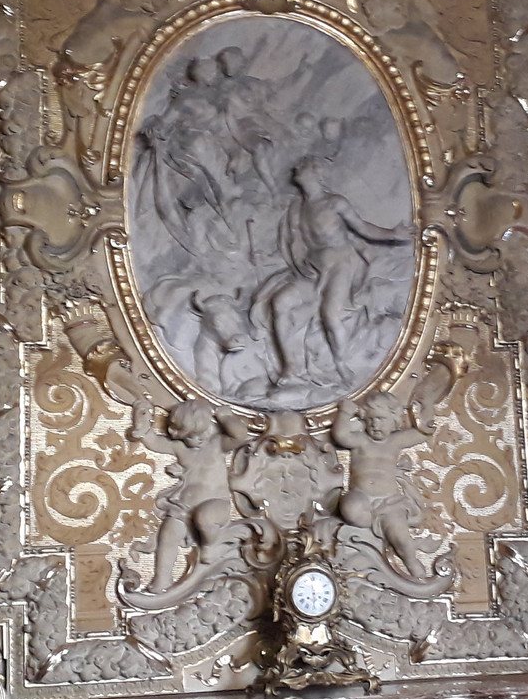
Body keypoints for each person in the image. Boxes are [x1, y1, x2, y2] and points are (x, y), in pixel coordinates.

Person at [253, 156, 412, 385]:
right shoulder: (297, 208)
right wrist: (269, 259)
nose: (297, 168)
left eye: (303, 166)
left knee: (330, 315)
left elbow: (363, 228)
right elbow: (293, 242)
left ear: (316, 172)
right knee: (279, 303)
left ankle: (340, 363)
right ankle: (290, 366)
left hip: (340, 266)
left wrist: (392, 234)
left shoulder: (335, 203)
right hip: (311, 269)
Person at [129, 398, 235, 592]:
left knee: (205, 517)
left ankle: (211, 546)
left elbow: (240, 436)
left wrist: (226, 418)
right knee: (168, 534)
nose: (199, 439)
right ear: (179, 433)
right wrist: (141, 423)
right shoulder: (181, 448)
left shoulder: (216, 445)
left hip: (216, 505)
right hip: (184, 507)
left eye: (203, 432)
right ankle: (162, 580)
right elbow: (154, 442)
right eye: (192, 436)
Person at [333, 392, 427, 577]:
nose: (375, 425)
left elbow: (422, 433)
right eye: (371, 420)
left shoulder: (395, 441)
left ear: (394, 421)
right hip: (362, 497)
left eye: (381, 419)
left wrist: (422, 410)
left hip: (389, 502)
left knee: (402, 539)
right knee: (350, 508)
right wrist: (345, 413)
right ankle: (373, 532)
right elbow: (341, 436)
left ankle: (411, 562)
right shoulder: (361, 440)